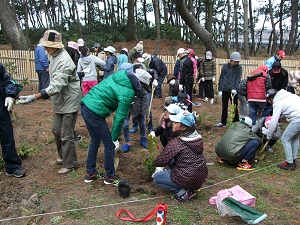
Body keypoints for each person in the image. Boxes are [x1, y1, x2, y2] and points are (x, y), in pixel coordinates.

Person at [18, 30, 81, 175]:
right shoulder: (54, 55)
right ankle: (64, 157)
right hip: (60, 100)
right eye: (45, 46)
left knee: (66, 134)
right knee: (56, 130)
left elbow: (57, 85)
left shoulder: (64, 60)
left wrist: (34, 97)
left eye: (48, 46)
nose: (45, 49)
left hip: (69, 100)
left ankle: (71, 163)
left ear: (56, 46)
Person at [80, 63, 143, 184]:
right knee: (109, 145)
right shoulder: (128, 92)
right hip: (95, 111)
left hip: (85, 105)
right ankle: (110, 176)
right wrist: (114, 138)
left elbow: (110, 99)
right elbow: (120, 118)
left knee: (95, 140)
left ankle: (90, 173)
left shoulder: (117, 77)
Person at [153, 111, 208, 202]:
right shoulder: (197, 138)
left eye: (175, 123)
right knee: (172, 161)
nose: (173, 124)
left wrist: (155, 161)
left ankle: (184, 191)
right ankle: (189, 186)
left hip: (187, 178)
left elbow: (160, 161)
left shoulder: (177, 142)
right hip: (201, 174)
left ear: (183, 127)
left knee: (157, 178)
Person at [0, 62, 26, 178]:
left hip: (1, 109)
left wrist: (10, 95)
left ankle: (12, 166)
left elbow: (7, 81)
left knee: (7, 138)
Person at [264, 89, 300, 170]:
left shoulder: (277, 103)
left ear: (271, 99)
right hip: (298, 116)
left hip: (297, 118)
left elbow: (273, 122)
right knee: (294, 137)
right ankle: (293, 159)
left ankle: (289, 163)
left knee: (285, 138)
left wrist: (269, 136)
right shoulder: (288, 95)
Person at [120, 69, 152, 152]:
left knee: (142, 123)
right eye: (141, 84)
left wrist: (145, 114)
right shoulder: (127, 87)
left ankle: (143, 139)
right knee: (125, 125)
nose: (142, 86)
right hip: (126, 107)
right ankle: (127, 142)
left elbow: (145, 103)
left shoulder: (143, 91)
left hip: (139, 109)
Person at [215, 52, 242, 127]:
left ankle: (235, 122)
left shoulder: (239, 68)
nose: (236, 63)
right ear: (231, 60)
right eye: (235, 61)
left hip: (233, 91)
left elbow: (238, 79)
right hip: (225, 90)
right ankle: (223, 122)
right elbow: (221, 78)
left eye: (237, 61)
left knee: (234, 106)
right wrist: (220, 89)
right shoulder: (225, 67)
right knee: (224, 107)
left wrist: (235, 89)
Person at [177, 48, 194, 112]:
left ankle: (185, 110)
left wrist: (181, 83)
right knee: (189, 96)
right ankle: (190, 110)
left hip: (186, 81)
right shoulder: (190, 60)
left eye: (178, 55)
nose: (178, 57)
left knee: (185, 96)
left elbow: (182, 73)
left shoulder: (183, 61)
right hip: (190, 80)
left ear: (181, 54)